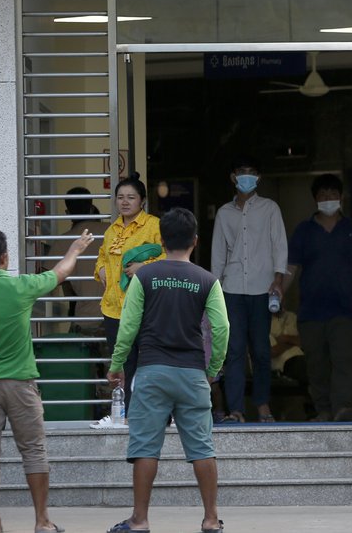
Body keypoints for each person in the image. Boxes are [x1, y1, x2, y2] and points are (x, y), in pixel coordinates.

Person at [0, 226, 93, 533]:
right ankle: (42, 521)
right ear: (5, 257)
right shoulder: (21, 286)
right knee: (33, 450)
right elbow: (60, 273)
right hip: (20, 382)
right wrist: (75, 249)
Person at [106, 208, 228, 533]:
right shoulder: (208, 280)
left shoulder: (144, 276)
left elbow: (128, 326)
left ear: (160, 240)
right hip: (192, 374)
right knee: (202, 447)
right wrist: (212, 368)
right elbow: (221, 329)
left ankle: (140, 520)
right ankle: (211, 518)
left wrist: (117, 365)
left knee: (145, 447)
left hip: (151, 372)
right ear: (196, 241)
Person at [210, 157, 287, 423]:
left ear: (259, 178)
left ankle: (263, 405)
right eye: (242, 173)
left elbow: (279, 245)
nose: (246, 177)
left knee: (261, 350)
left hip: (262, 287)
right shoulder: (223, 213)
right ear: (233, 177)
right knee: (234, 350)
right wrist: (214, 291)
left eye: (252, 173)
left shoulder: (270, 208)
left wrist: (278, 281)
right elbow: (218, 254)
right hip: (231, 288)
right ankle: (236, 409)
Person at [285, 174, 352, 422]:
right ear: (315, 199)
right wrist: (277, 291)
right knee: (316, 365)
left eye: (333, 194)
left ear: (341, 197)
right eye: (323, 195)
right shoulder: (304, 230)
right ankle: (323, 410)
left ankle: (342, 407)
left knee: (343, 361)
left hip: (344, 308)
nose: (328, 199)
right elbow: (292, 267)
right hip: (310, 311)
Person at [92, 172, 164, 426]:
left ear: (142, 201)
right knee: (124, 362)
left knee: (150, 359)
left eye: (131, 197)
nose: (125, 202)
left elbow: (168, 257)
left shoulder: (154, 225)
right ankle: (129, 413)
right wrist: (100, 269)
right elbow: (102, 256)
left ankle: (153, 411)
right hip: (113, 307)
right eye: (120, 197)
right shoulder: (111, 230)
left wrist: (144, 266)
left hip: (144, 306)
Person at [45, 187, 109, 332]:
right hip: (116, 317)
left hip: (85, 321)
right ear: (92, 207)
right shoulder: (113, 232)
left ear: (67, 213)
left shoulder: (62, 242)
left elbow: (47, 282)